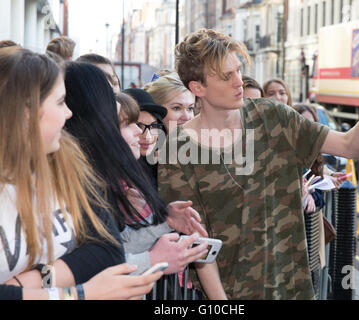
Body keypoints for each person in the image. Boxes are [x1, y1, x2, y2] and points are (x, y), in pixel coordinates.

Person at [157, 28, 359, 299]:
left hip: (295, 289)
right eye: (226, 75)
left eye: (238, 70)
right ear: (197, 87)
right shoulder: (177, 149)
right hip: (231, 294)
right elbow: (198, 244)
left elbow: (351, 146)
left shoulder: (272, 116)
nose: (238, 82)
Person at [0, 46, 162, 300]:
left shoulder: (67, 160)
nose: (69, 113)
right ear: (26, 112)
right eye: (60, 102)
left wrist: (27, 284)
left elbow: (106, 249)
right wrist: (76, 294)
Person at [62, 62, 225, 299]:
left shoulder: (98, 174)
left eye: (191, 108)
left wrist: (166, 220)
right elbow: (81, 269)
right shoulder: (78, 179)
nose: (141, 132)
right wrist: (152, 259)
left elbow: (109, 248)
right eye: (130, 123)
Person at [123, 88, 168, 189]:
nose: (148, 137)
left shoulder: (162, 163)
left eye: (153, 126)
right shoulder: (119, 175)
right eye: (139, 126)